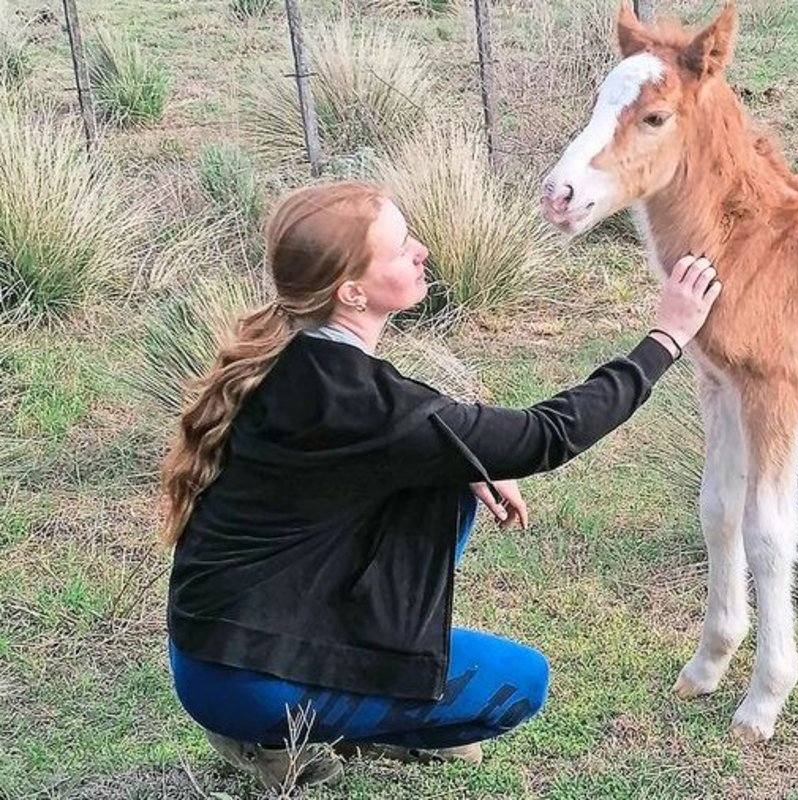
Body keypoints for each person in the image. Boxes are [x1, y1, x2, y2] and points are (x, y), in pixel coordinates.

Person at [160, 180, 722, 790]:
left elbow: (420, 449)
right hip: (250, 680)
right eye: (402, 248)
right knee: (520, 686)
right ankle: (276, 738)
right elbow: (545, 435)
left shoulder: (293, 354)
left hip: (210, 647)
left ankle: (293, 714)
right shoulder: (362, 401)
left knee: (451, 476)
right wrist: (667, 336)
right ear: (351, 291)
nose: (422, 250)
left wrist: (462, 466)